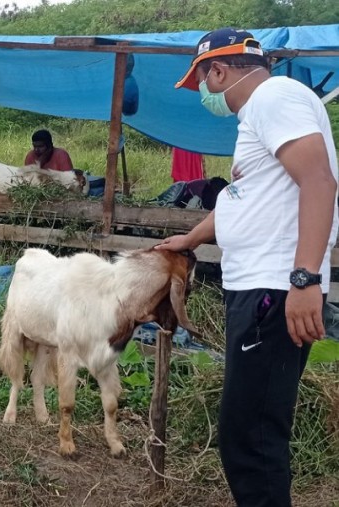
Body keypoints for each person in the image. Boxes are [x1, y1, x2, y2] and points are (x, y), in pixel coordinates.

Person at [158, 27, 338, 506]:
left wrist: (304, 279)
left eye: (202, 83)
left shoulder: (273, 98)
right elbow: (245, 197)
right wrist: (192, 237)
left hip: (274, 289)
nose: (204, 95)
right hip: (261, 288)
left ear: (218, 70)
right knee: (249, 429)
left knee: (251, 437)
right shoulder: (260, 116)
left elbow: (319, 182)